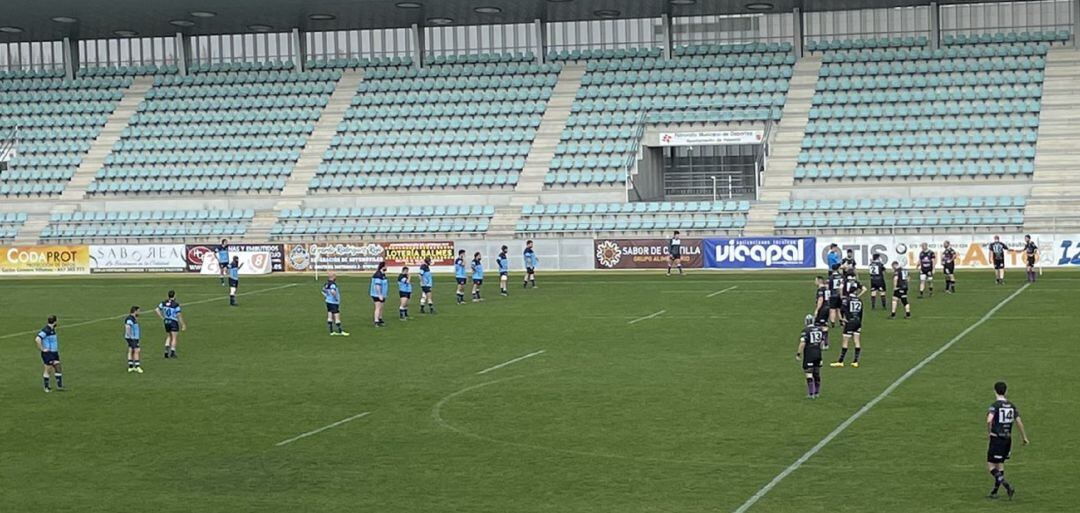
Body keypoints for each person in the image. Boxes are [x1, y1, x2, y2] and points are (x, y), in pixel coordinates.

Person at [986, 381, 1030, 500]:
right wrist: (1024, 437)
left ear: (995, 391)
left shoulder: (995, 405)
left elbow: (989, 420)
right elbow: (1019, 422)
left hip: (997, 438)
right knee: (1000, 464)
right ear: (1006, 391)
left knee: (991, 465)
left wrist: (989, 432)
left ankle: (1007, 486)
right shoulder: (1011, 405)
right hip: (1007, 439)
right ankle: (994, 492)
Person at [795, 314, 824, 399]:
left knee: (808, 372)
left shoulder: (806, 330)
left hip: (809, 354)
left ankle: (811, 393)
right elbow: (822, 343)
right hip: (818, 353)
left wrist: (798, 353)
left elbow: (802, 343)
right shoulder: (819, 329)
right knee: (817, 373)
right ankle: (817, 392)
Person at [832, 291, 864, 368]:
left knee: (845, 341)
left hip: (850, 322)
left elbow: (842, 309)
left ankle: (840, 361)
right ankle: (855, 361)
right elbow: (861, 313)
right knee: (857, 340)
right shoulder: (859, 300)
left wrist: (843, 319)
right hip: (858, 321)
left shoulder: (847, 299)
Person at [36, 315, 63, 392]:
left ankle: (59, 387)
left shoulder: (52, 329)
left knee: (58, 367)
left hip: (54, 352)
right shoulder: (46, 330)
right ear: (55, 321)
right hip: (48, 353)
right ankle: (46, 387)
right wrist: (42, 349)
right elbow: (37, 339)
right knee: (48, 369)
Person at [155, 290, 185, 358]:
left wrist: (162, 317)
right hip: (173, 321)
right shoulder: (175, 304)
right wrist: (182, 324)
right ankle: (172, 352)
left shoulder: (164, 302)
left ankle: (166, 352)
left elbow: (157, 310)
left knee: (169, 336)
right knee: (174, 337)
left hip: (166, 321)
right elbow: (178, 315)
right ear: (174, 295)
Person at [322, 271, 348, 336]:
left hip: (328, 302)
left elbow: (323, 291)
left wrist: (327, 295)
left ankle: (331, 331)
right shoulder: (333, 284)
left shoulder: (326, 284)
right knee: (337, 316)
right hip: (333, 302)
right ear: (333, 277)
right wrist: (335, 297)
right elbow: (333, 291)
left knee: (329, 315)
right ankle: (340, 331)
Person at [813, 276, 831, 349]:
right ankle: (825, 343)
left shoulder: (820, 290)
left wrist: (817, 309)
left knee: (818, 325)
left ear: (819, 281)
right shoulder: (827, 289)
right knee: (825, 325)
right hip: (827, 308)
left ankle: (821, 342)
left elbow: (821, 299)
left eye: (815, 280)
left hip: (822, 309)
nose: (815, 282)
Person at [124, 306, 143, 373]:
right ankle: (137, 366)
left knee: (131, 350)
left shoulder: (133, 318)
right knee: (136, 350)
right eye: (138, 311)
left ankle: (131, 366)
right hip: (133, 338)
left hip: (133, 338)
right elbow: (128, 327)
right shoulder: (130, 319)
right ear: (135, 311)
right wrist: (130, 336)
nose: (139, 312)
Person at [370, 261, 388, 327]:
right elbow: (377, 286)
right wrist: (379, 294)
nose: (387, 267)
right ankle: (376, 321)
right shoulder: (378, 274)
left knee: (381, 307)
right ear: (383, 266)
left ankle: (380, 319)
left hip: (382, 294)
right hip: (377, 294)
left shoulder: (382, 274)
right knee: (378, 307)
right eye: (386, 266)